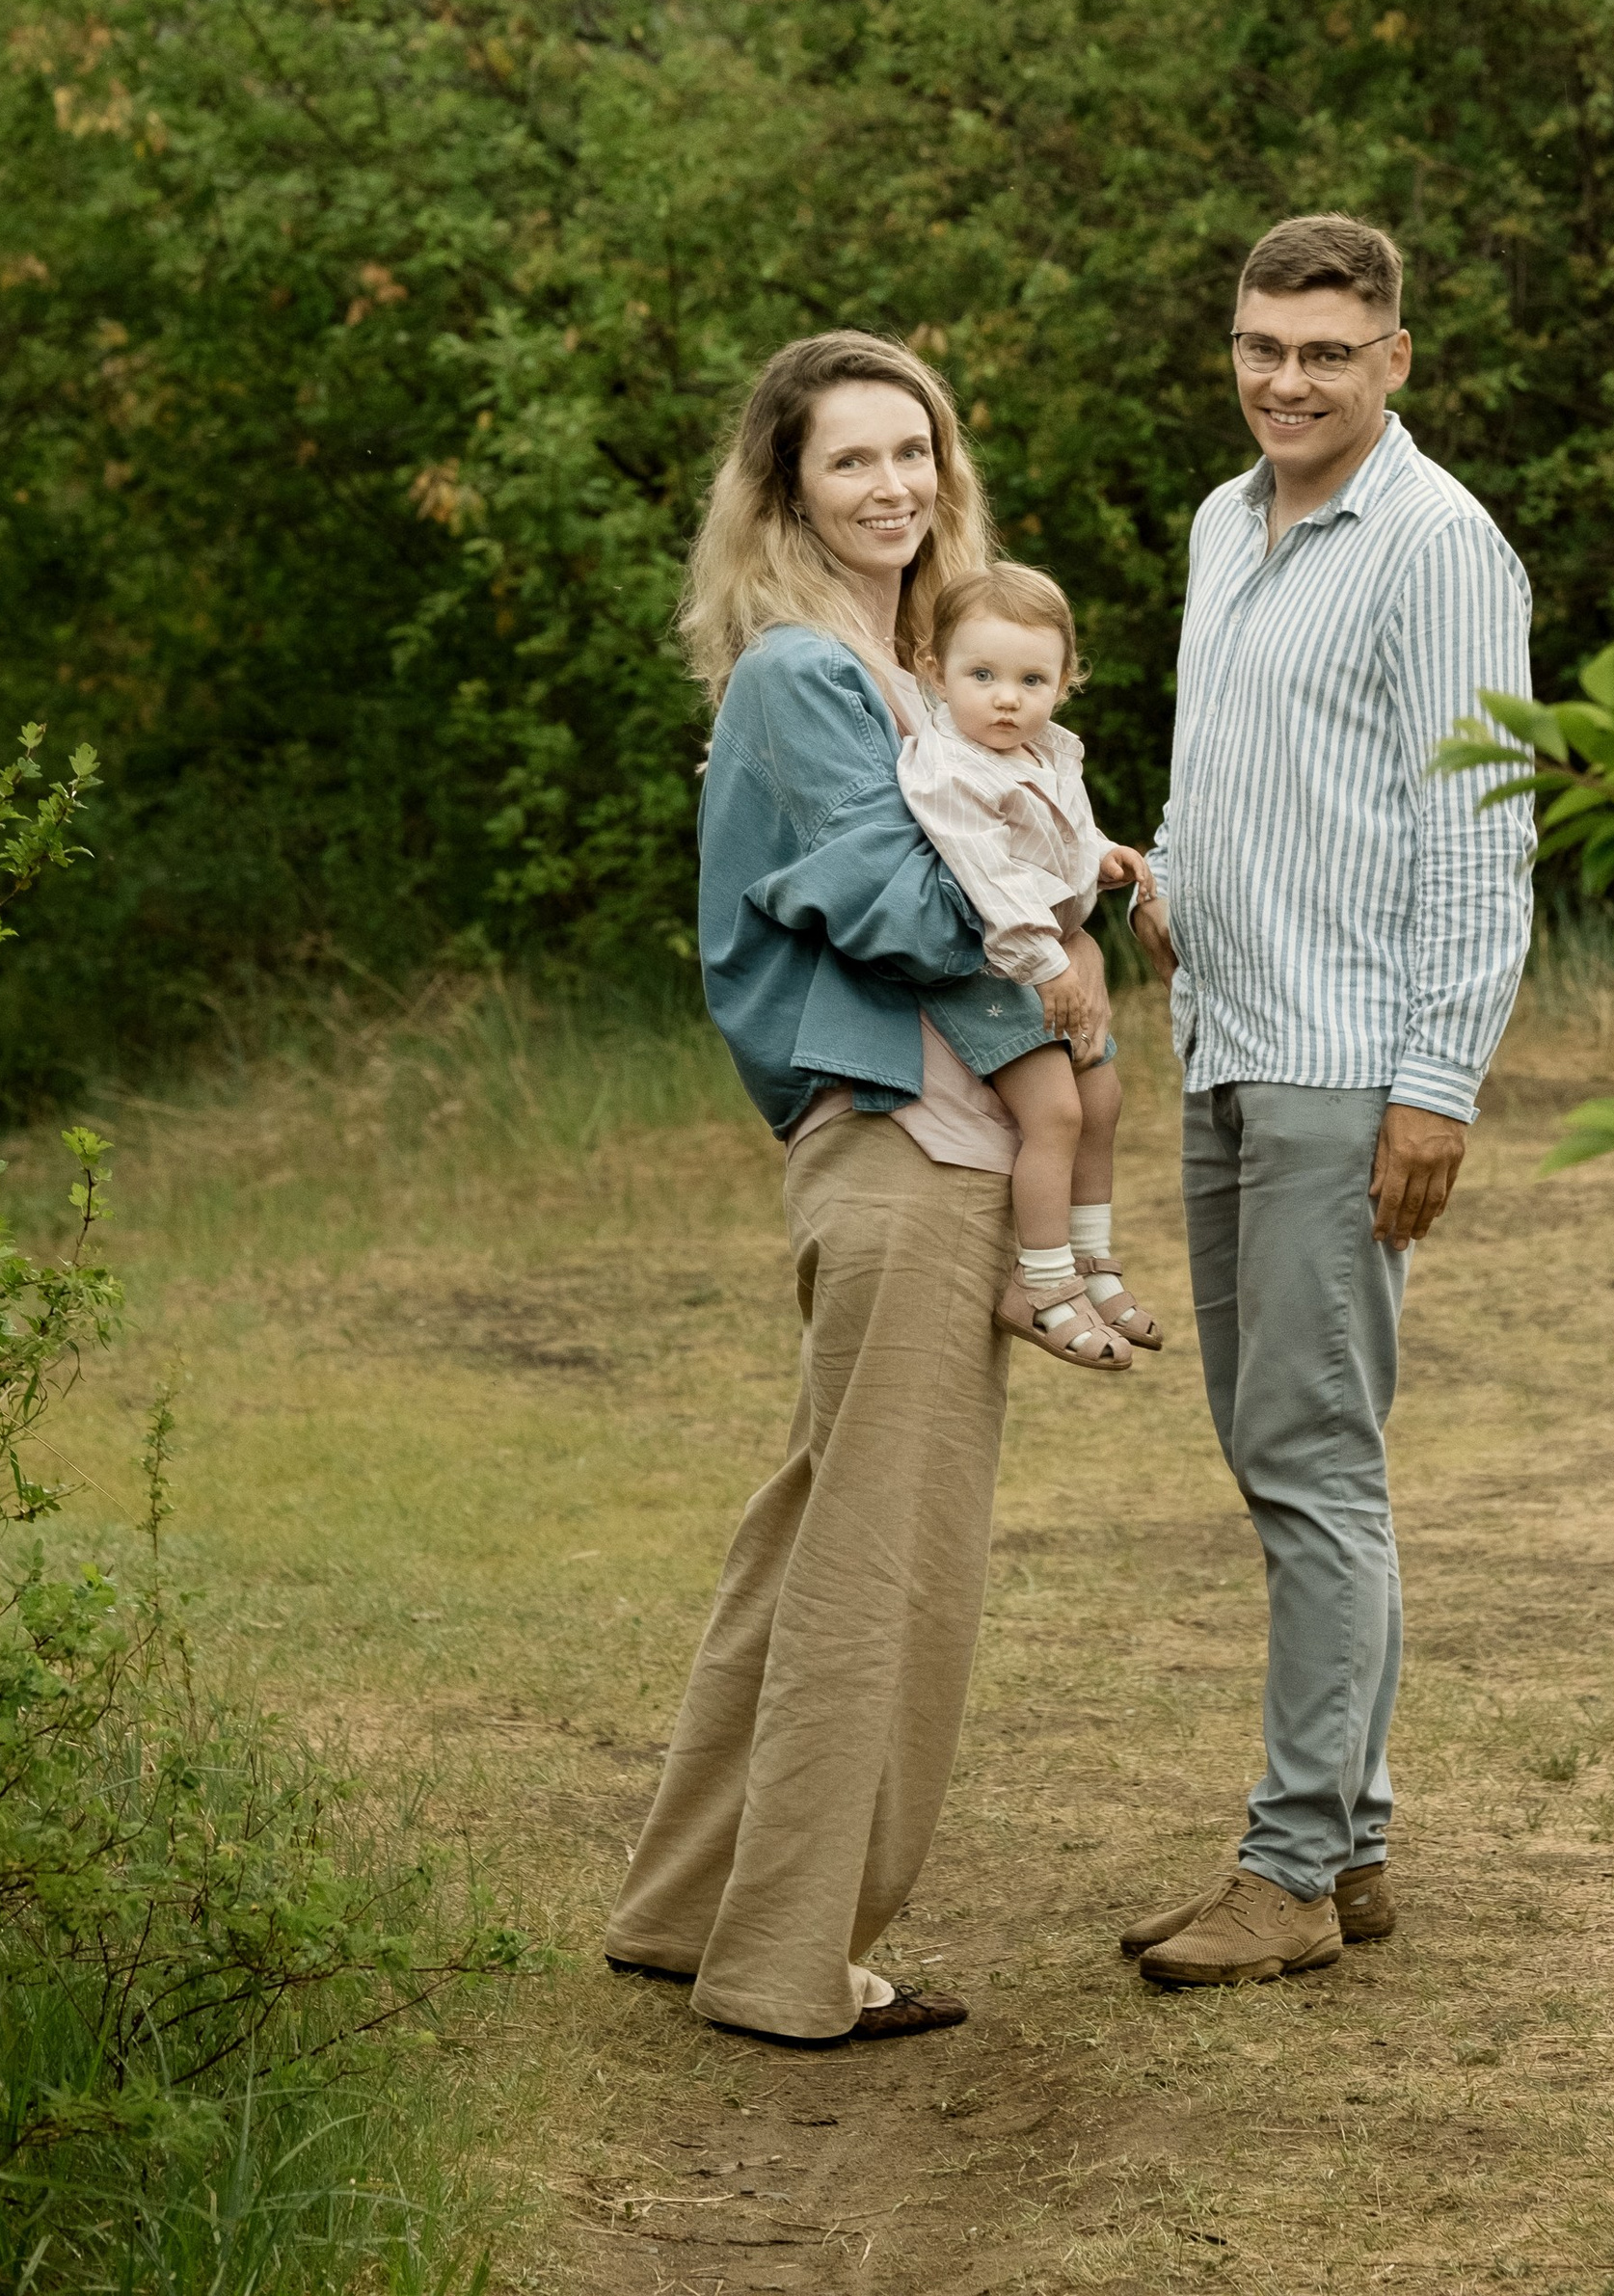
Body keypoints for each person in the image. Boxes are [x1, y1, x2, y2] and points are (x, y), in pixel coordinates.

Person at [603, 330, 1116, 2046]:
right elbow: (891, 904)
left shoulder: (920, 678)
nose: (892, 485)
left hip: (906, 1137)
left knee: (817, 1524)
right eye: (851, 461)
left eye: (916, 453)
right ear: (785, 490)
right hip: (908, 1142)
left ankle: (688, 1916)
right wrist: (1054, 1002)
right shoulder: (808, 676)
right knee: (884, 1566)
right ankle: (781, 1966)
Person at [1118, 213, 1534, 1989]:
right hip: (1225, 1037)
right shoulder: (1228, 522)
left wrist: (1434, 1087)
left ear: (1395, 361)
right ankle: (1348, 1840)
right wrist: (1154, 889)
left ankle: (1289, 1872)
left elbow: (1481, 829)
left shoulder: (1442, 547)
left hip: (1346, 1067)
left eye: (1324, 352)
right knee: (1289, 1453)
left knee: (1313, 1463)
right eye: (1260, 347)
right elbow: (1254, 780)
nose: (1286, 380)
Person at [900, 558, 1165, 1367]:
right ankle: (1043, 1281)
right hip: (993, 967)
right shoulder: (945, 768)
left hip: (1048, 960)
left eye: (1031, 678)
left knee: (1104, 1097)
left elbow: (1061, 840)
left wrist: (1100, 857)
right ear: (933, 671)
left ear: (1066, 681)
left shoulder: (1047, 751)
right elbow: (990, 877)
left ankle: (1090, 1258)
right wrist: (1051, 961)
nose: (1007, 697)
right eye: (982, 675)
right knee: (1053, 1114)